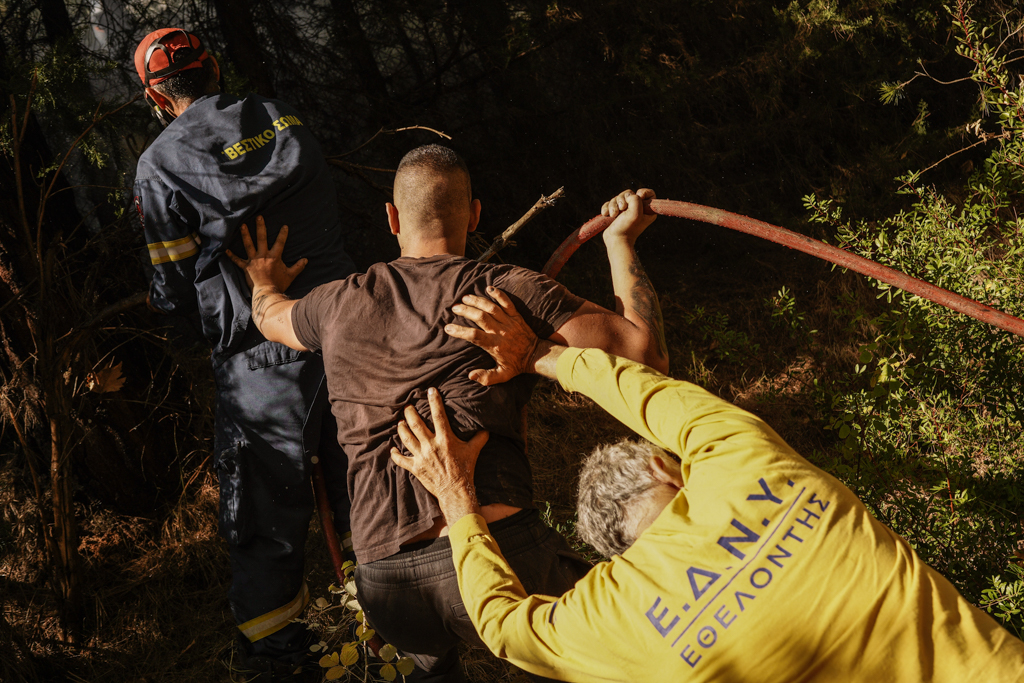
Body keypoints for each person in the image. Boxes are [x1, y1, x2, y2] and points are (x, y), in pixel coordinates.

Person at [389, 290, 1024, 683]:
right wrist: (541, 357)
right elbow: (651, 392)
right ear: (668, 467)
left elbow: (502, 626)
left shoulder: (610, 617)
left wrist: (456, 499)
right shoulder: (742, 461)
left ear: (613, 553)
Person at [226, 143, 668, 681]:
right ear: (475, 213)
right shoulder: (504, 291)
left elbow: (272, 319)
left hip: (387, 584)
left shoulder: (335, 304)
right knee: (609, 659)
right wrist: (621, 242)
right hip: (504, 552)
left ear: (391, 218)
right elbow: (644, 356)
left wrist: (263, 281)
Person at [131, 28, 356, 678]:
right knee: (369, 484)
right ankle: (396, 630)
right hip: (348, 330)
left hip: (261, 366)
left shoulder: (160, 165)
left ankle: (283, 659)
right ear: (214, 68)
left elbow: (172, 293)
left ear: (154, 96)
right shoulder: (282, 117)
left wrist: (190, 329)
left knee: (261, 522)